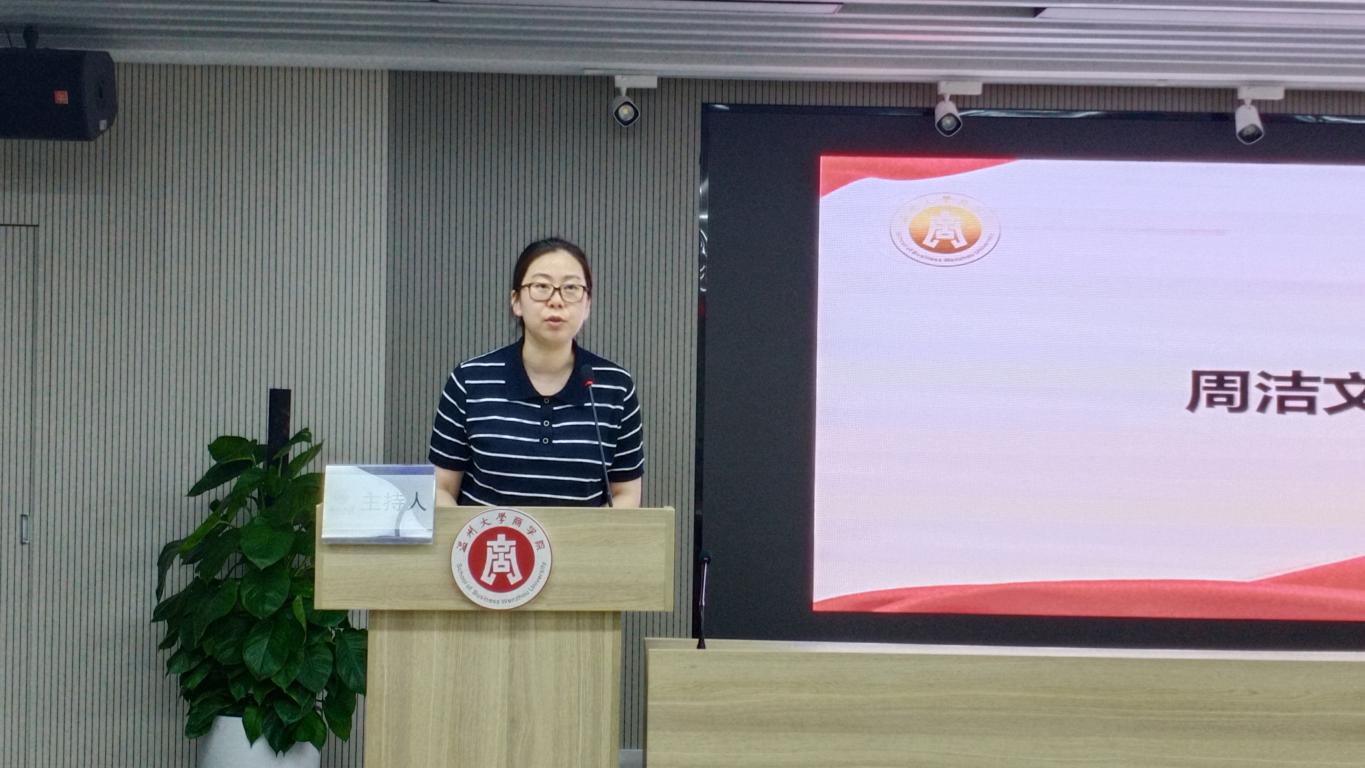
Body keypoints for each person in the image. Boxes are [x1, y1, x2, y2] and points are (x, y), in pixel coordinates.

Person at [428, 237, 644, 508]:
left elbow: (625, 493)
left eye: (571, 288)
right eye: (541, 287)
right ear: (516, 301)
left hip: (581, 537)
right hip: (492, 536)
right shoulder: (469, 381)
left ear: (587, 305)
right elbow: (441, 488)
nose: (556, 301)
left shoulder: (615, 387)